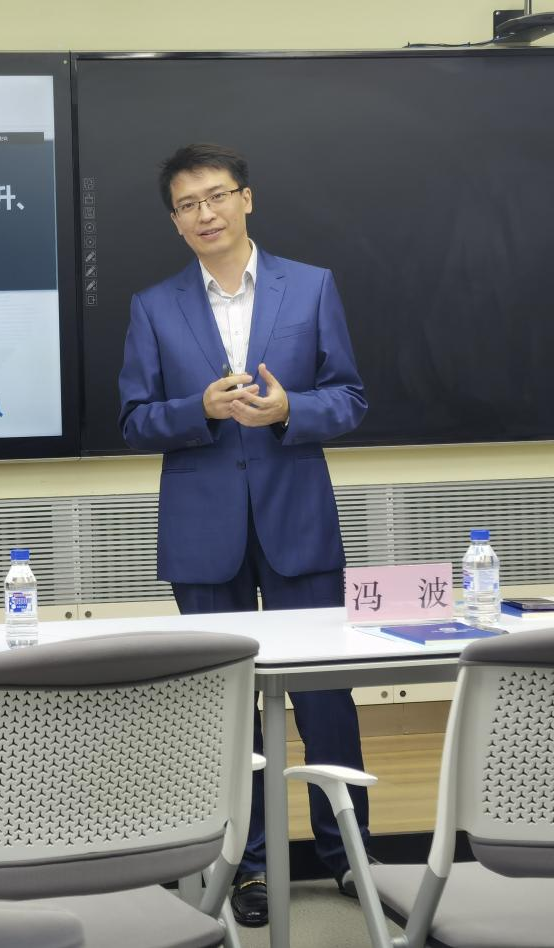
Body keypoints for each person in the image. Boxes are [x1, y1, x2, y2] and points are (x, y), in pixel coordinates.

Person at [117, 143, 370, 928]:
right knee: (223, 706)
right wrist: (199, 409)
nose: (205, 214)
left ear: (246, 199)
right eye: (188, 205)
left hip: (298, 517)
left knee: (325, 695)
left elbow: (350, 398)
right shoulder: (153, 306)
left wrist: (292, 409)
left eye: (217, 196)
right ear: (175, 220)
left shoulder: (311, 285)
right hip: (203, 530)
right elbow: (133, 421)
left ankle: (350, 857)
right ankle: (249, 866)